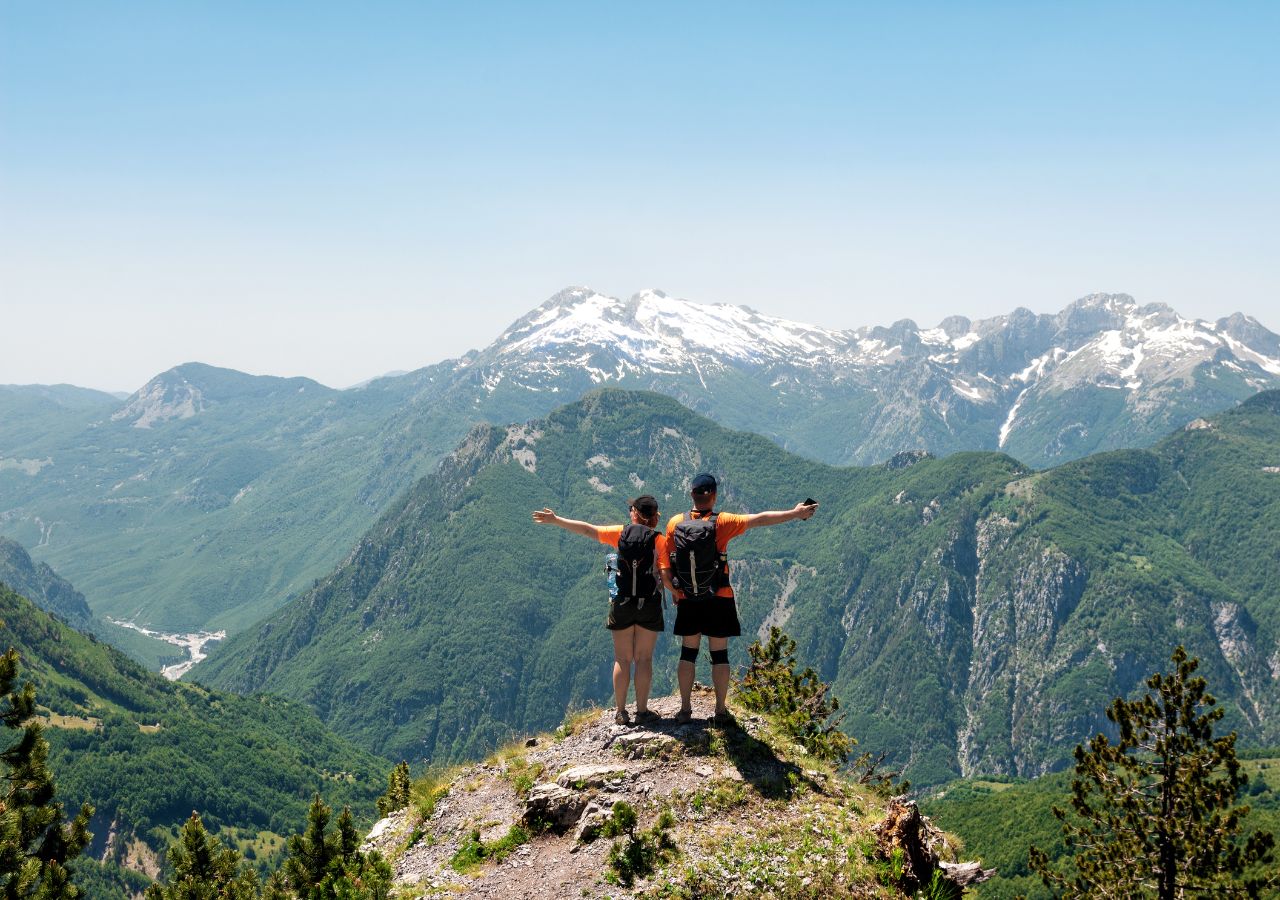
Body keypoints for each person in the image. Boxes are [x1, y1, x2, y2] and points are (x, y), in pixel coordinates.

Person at [664, 473, 817, 724]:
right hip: (719, 596)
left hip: (688, 598)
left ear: (692, 494)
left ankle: (684, 709)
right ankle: (721, 711)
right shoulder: (722, 522)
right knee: (719, 654)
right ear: (713, 495)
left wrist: (675, 591)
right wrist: (795, 513)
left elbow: (669, 563)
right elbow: (760, 519)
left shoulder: (674, 524)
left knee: (687, 653)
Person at [532, 496, 669, 726]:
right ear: (654, 517)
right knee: (643, 659)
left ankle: (621, 712)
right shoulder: (660, 541)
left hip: (621, 604)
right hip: (649, 605)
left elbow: (588, 530)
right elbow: (665, 576)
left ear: (634, 513)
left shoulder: (621, 533)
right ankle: (642, 711)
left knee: (622, 659)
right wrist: (678, 593)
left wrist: (556, 520)